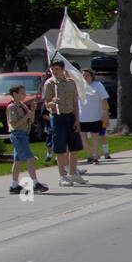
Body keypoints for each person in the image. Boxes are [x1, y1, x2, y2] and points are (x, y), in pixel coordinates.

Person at [42, 58, 87, 187]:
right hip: (58, 117)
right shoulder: (50, 84)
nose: (54, 72)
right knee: (60, 148)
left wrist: (77, 120)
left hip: (70, 117)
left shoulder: (71, 83)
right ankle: (62, 175)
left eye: (57, 69)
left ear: (63, 70)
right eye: (52, 69)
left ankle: (73, 172)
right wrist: (53, 102)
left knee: (75, 146)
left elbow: (75, 103)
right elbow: (47, 104)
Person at [5, 84, 49, 195]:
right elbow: (14, 125)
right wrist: (26, 116)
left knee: (18, 161)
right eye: (22, 93)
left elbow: (31, 120)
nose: (24, 95)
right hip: (18, 135)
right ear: (14, 94)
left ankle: (14, 185)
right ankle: (35, 183)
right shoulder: (12, 107)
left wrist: (32, 110)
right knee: (30, 158)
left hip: (24, 134)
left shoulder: (23, 105)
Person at [78, 67, 109, 164]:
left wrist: (105, 113)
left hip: (95, 116)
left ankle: (96, 156)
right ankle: (90, 155)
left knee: (95, 136)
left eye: (87, 75)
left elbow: (104, 99)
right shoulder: (79, 86)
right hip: (82, 117)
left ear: (91, 76)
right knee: (83, 137)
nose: (85, 77)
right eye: (83, 75)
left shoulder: (98, 85)